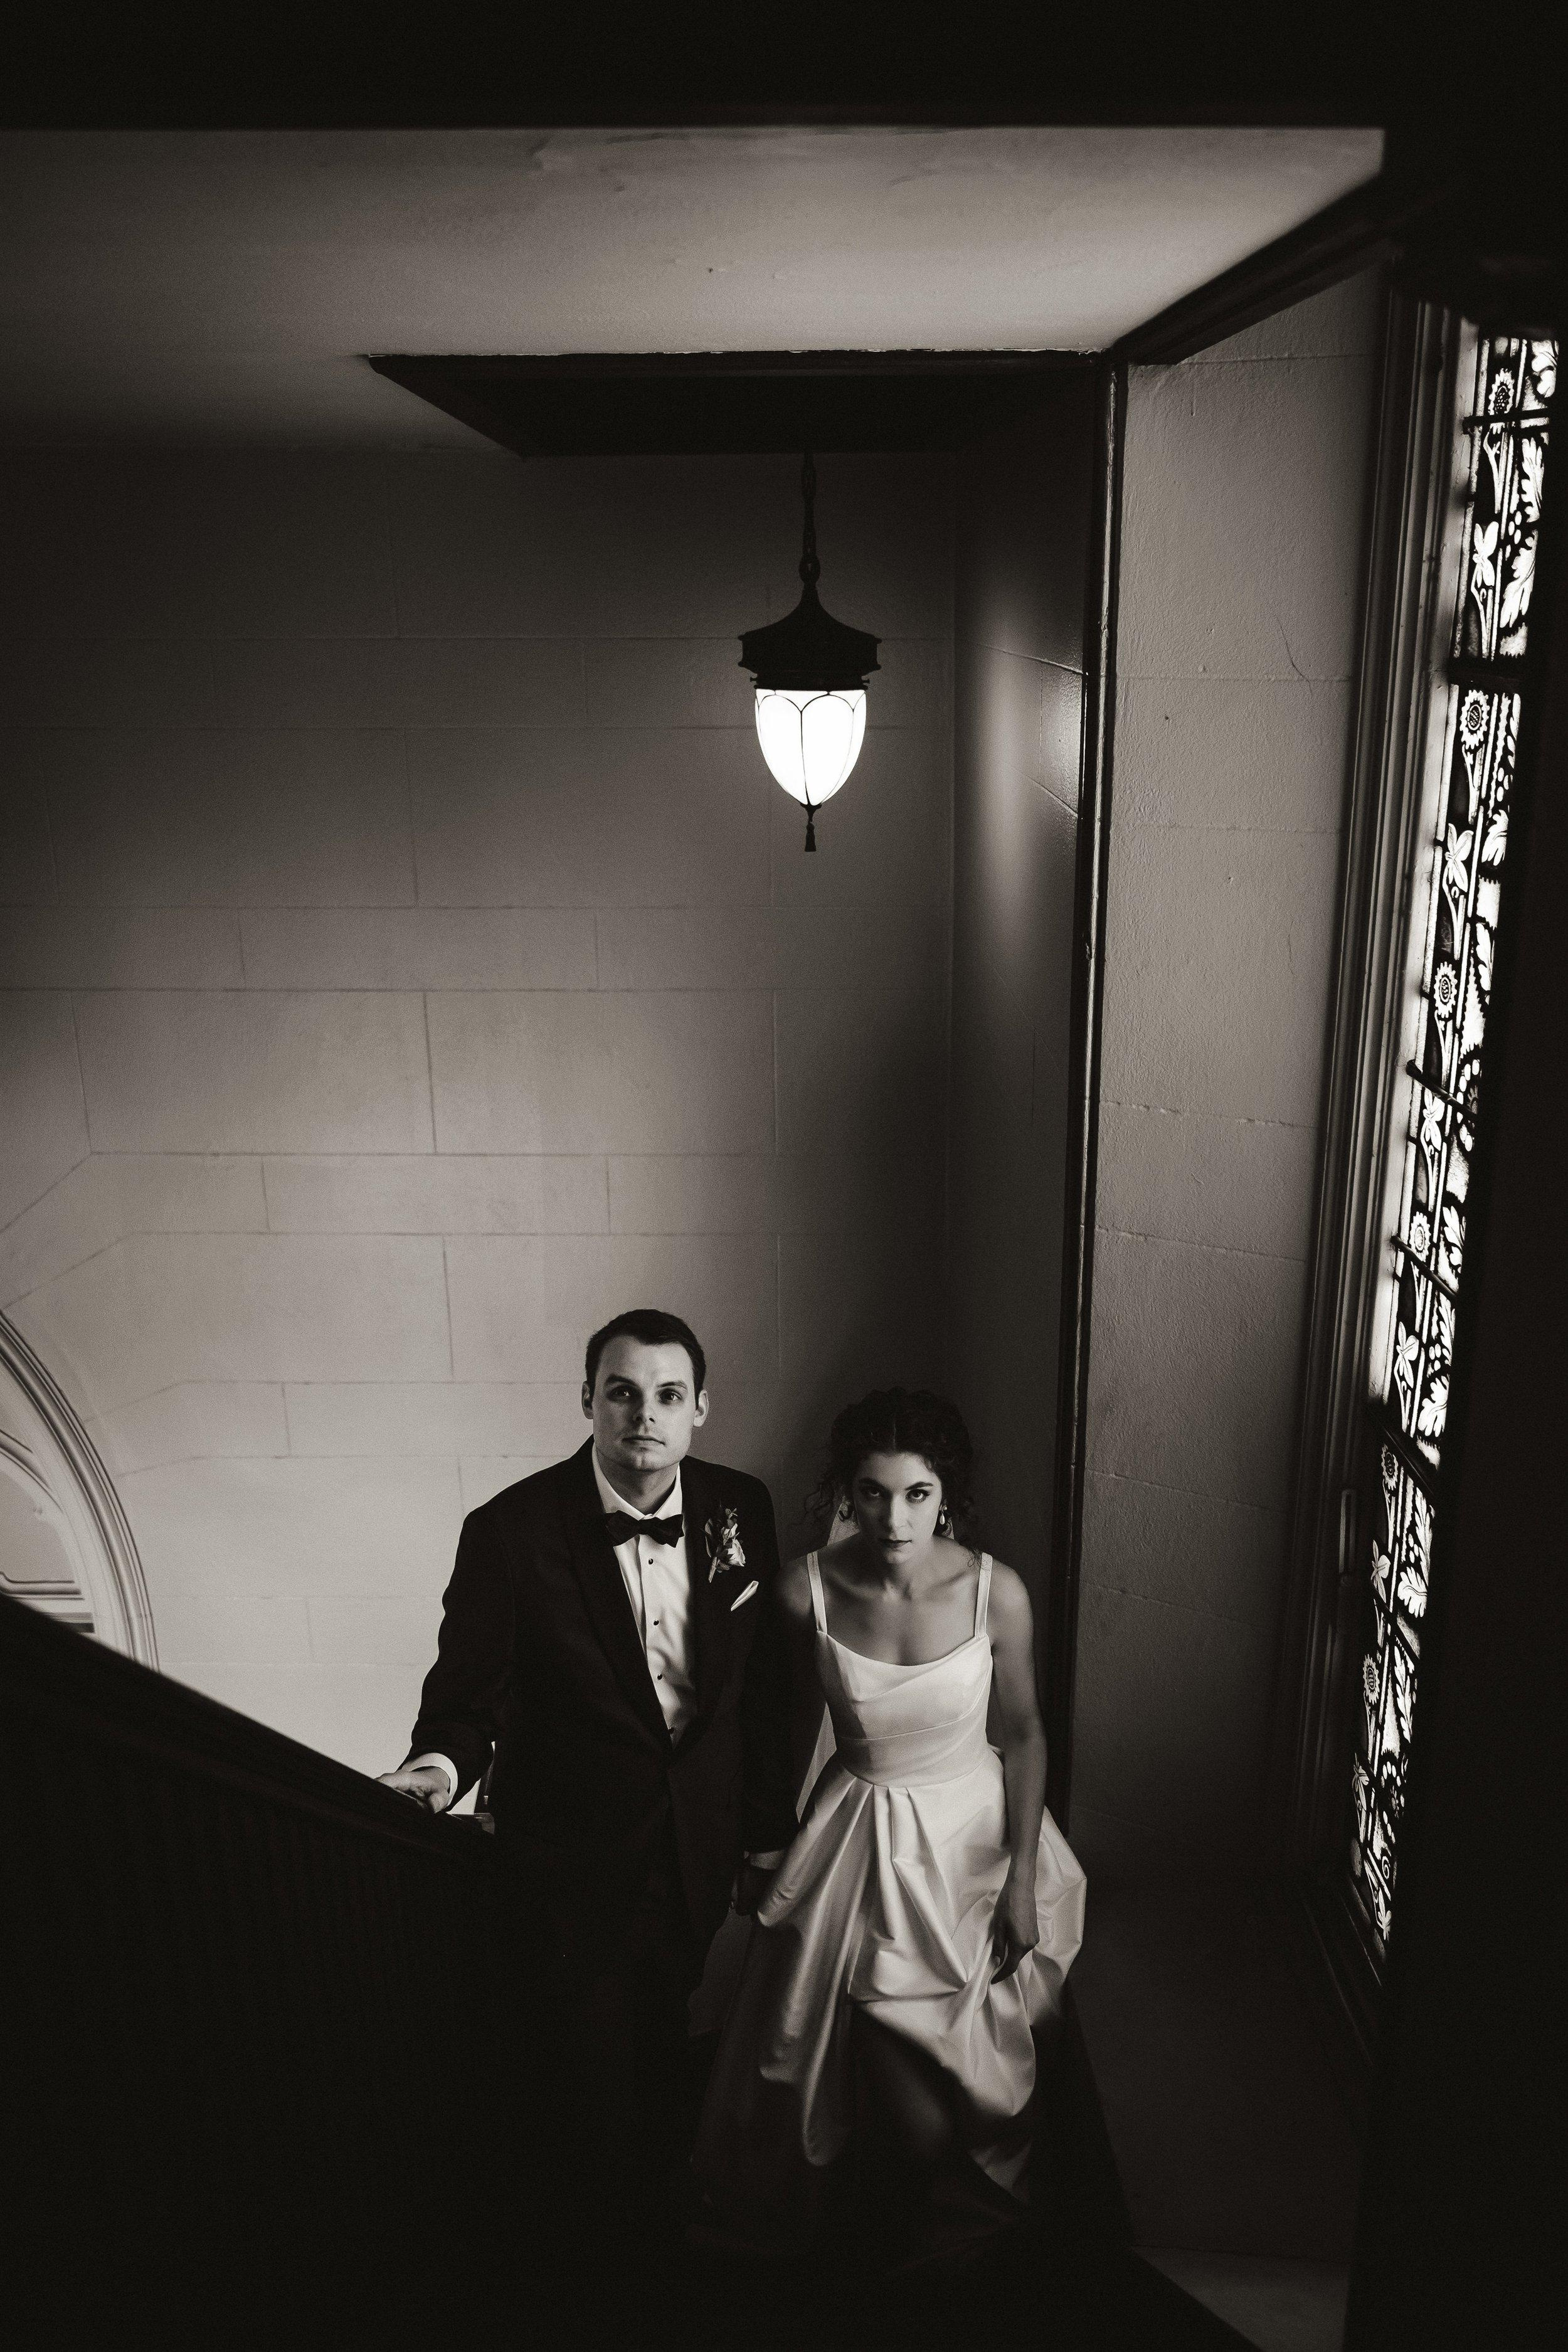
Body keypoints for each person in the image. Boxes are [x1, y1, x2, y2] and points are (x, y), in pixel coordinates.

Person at [377, 1306, 781, 2294]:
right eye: (623, 1392)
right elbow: (463, 1701)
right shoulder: (511, 1531)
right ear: (588, 1401)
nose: (645, 1414)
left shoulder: (741, 1508)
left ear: (699, 1409)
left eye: (668, 1396)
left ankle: (641, 2257)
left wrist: (764, 1835)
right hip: (569, 1874)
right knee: (593, 2105)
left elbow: (761, 1692)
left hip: (692, 1858)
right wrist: (431, 1773)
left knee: (660, 2063)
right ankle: (604, 2287)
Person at [694, 1387, 1086, 2286]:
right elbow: (789, 1728)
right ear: (845, 1490)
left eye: (916, 1492)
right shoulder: (805, 1590)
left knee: (976, 2079)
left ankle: (941, 2255)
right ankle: (899, 2245)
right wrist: (769, 1847)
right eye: (873, 1492)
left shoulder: (996, 1590)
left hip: (976, 1842)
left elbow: (1024, 1734)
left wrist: (1022, 1876)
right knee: (898, 2103)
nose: (895, 1515)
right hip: (862, 1838)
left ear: (945, 1490)